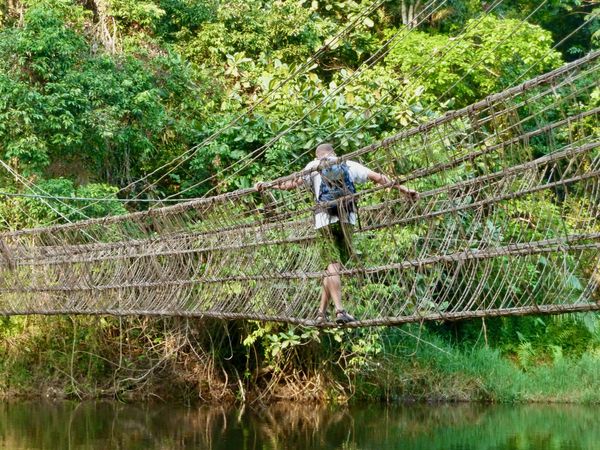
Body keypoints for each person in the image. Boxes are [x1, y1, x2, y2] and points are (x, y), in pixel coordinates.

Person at [255, 143, 419, 324]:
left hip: (324, 220)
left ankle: (339, 310)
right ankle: (321, 313)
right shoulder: (347, 164)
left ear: (318, 156)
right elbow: (378, 178)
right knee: (334, 266)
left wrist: (268, 185)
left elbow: (291, 184)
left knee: (331, 266)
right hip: (347, 219)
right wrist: (403, 189)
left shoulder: (313, 167)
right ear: (334, 153)